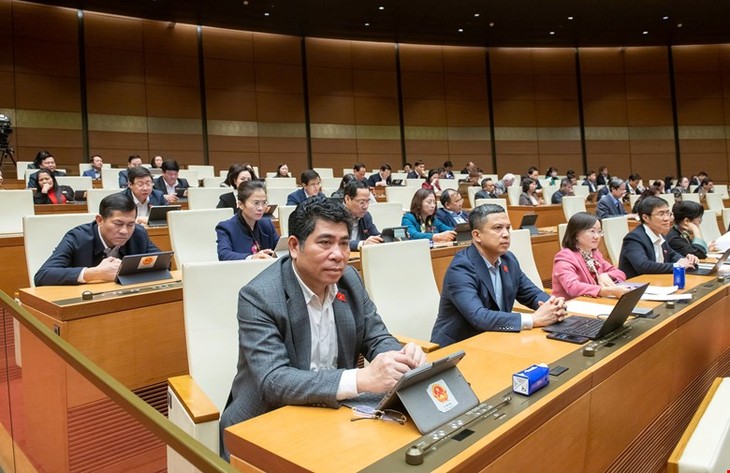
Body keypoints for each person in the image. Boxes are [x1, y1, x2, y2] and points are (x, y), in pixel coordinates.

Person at [218, 196, 426, 459]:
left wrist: (400, 359)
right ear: (294, 246)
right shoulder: (258, 296)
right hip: (267, 419)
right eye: (325, 243)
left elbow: (376, 337)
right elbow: (273, 381)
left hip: (335, 411)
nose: (338, 255)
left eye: (343, 243)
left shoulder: (349, 279)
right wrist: (361, 379)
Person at [430, 204, 567, 347]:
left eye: (508, 228)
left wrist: (553, 305)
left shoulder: (508, 259)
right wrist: (533, 319)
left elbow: (532, 294)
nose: (506, 234)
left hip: (496, 341)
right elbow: (479, 317)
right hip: (459, 348)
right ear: (477, 235)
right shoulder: (461, 268)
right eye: (497, 228)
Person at [34, 193, 160, 286]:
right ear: (100, 220)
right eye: (118, 223)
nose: (124, 231)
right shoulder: (77, 237)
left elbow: (162, 262)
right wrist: (95, 273)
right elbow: (42, 275)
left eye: (130, 224)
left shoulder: (138, 233)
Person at [551, 212, 628, 300]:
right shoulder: (564, 257)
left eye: (599, 232)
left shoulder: (594, 254)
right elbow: (573, 288)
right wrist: (607, 290)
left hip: (593, 302)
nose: (597, 236)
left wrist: (605, 275)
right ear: (576, 234)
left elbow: (620, 273)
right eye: (592, 231)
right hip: (569, 306)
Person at [618, 196, 698, 279]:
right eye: (661, 214)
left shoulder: (660, 235)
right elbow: (643, 266)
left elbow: (672, 255)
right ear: (645, 218)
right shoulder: (634, 239)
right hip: (638, 287)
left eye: (668, 213)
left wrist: (688, 260)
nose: (667, 218)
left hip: (657, 282)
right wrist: (677, 265)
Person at [216, 181, 279, 260]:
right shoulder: (226, 227)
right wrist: (252, 257)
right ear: (241, 204)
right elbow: (224, 255)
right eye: (256, 203)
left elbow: (279, 249)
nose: (260, 208)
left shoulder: (267, 224)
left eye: (264, 203)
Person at [343, 180, 382, 250]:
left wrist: (388, 237)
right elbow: (337, 242)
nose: (366, 206)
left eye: (368, 201)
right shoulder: (335, 217)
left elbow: (375, 234)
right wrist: (362, 244)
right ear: (347, 199)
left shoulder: (366, 216)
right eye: (362, 202)